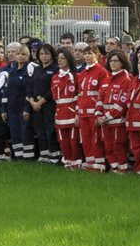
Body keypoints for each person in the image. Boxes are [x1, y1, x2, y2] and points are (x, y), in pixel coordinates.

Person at [75, 44, 110, 172]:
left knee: (96, 140)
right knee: (86, 140)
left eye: (90, 53)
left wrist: (99, 113)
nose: (87, 56)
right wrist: (77, 113)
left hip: (94, 113)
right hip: (83, 112)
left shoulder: (102, 72)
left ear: (97, 55)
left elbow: (103, 94)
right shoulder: (83, 73)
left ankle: (99, 165)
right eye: (86, 54)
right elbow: (80, 94)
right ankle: (90, 164)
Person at [98, 50, 134, 173]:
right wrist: (98, 115)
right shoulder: (107, 80)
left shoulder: (126, 80)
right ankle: (114, 168)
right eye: (111, 61)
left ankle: (123, 170)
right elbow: (99, 100)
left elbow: (122, 103)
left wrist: (107, 116)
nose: (113, 63)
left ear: (122, 62)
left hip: (118, 121)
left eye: (116, 61)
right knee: (108, 147)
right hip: (104, 121)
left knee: (118, 146)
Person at [50, 48, 83, 170]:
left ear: (69, 60)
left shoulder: (76, 76)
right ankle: (67, 161)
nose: (60, 61)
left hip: (72, 111)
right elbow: (55, 98)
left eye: (63, 58)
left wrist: (77, 113)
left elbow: (79, 95)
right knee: (63, 140)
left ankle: (76, 162)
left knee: (74, 139)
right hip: (60, 113)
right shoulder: (54, 78)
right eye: (58, 59)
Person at [28, 42, 58, 164]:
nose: (43, 56)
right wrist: (32, 102)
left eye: (46, 53)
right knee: (40, 131)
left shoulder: (55, 69)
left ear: (52, 54)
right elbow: (29, 87)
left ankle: (54, 155)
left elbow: (53, 89)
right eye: (41, 53)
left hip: (49, 104)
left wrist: (40, 102)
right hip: (36, 106)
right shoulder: (36, 69)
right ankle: (44, 154)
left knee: (50, 130)